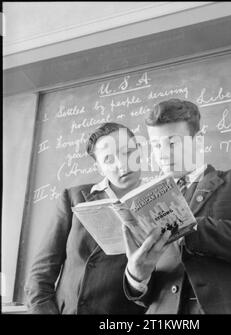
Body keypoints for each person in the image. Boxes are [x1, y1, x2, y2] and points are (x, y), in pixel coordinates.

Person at [122, 98, 231, 314]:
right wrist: (137, 276)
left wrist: (190, 227)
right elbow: (145, 295)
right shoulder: (142, 202)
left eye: (172, 143)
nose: (163, 154)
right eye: (156, 145)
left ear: (199, 140)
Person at [24, 122, 147, 314]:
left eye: (128, 152)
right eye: (108, 159)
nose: (122, 164)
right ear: (99, 168)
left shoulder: (161, 201)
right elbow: (41, 273)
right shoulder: (75, 198)